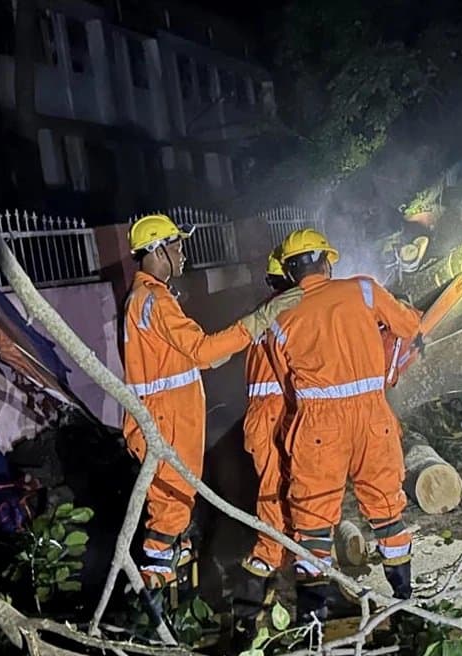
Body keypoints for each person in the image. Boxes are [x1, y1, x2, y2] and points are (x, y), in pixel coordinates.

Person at [120, 214, 302, 593]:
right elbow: (204, 352)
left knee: (177, 520)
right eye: (176, 246)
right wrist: (259, 319)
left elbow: (190, 358)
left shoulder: (150, 298)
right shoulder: (153, 300)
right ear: (157, 250)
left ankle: (180, 601)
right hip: (164, 427)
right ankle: (156, 619)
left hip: (169, 424)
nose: (183, 254)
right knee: (168, 521)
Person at [264, 228, 423, 623]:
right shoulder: (365, 291)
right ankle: (405, 603)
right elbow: (410, 328)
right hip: (372, 419)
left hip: (318, 427)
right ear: (326, 261)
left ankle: (312, 623)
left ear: (288, 271)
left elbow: (285, 380)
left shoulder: (280, 319)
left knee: (313, 523)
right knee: (387, 511)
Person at [232, 250, 297, 638]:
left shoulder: (267, 313)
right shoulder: (282, 315)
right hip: (274, 420)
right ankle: (246, 620)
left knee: (283, 513)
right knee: (276, 519)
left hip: (266, 419)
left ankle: (258, 611)